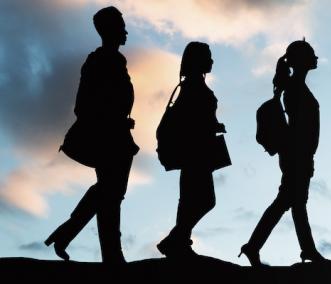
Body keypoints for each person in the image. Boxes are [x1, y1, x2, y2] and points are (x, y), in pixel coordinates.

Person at [45, 6, 138, 264]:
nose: (124, 28)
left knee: (110, 192)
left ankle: (70, 235)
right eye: (119, 24)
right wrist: (108, 120)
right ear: (108, 29)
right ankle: (110, 254)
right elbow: (83, 105)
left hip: (117, 134)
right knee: (111, 193)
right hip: (108, 137)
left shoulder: (115, 61)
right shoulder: (99, 61)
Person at [240, 40, 330, 266]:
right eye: (311, 54)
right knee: (293, 203)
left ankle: (255, 246)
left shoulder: (294, 86)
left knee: (289, 203)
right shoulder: (294, 88)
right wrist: (304, 154)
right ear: (301, 60)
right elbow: (300, 126)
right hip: (296, 155)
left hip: (299, 154)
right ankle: (305, 250)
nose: (316, 58)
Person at [156, 42, 228, 258]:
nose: (212, 61)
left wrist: (213, 125)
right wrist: (211, 126)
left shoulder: (192, 85)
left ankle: (179, 241)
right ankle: (176, 240)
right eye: (208, 56)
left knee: (190, 199)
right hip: (195, 152)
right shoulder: (192, 87)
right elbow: (191, 121)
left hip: (198, 151)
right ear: (198, 60)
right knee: (203, 200)